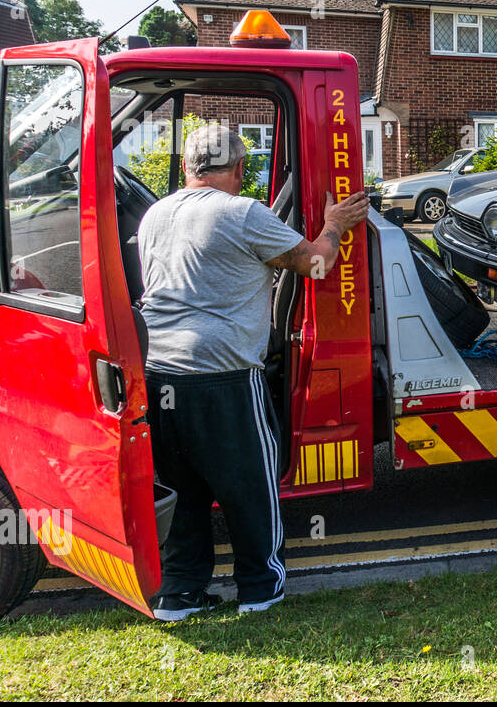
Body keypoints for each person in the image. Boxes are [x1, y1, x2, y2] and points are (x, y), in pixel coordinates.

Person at [138, 124, 369, 621]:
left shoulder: (156, 214)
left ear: (186, 167)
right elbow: (315, 265)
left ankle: (180, 595)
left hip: (158, 375)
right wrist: (334, 225)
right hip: (223, 375)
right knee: (248, 489)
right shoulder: (242, 213)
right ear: (241, 170)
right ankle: (260, 590)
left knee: (183, 492)